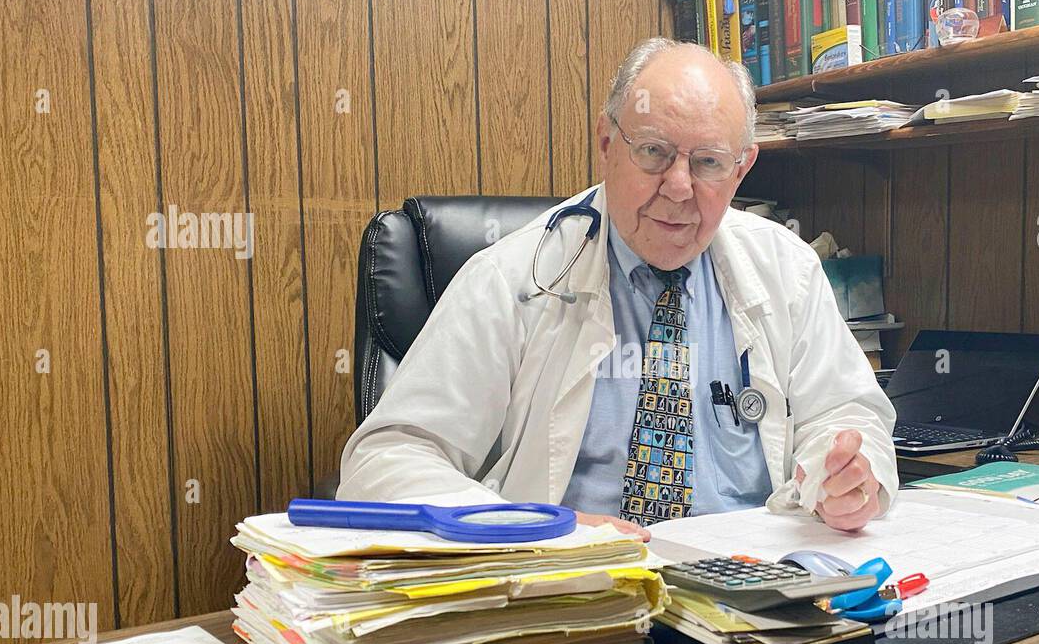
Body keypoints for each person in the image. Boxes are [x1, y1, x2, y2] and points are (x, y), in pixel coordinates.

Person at [338, 37, 897, 540]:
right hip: (578, 594)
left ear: (742, 169)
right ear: (607, 142)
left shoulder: (789, 270)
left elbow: (849, 414)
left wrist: (845, 474)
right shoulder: (511, 278)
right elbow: (387, 458)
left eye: (707, 162)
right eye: (653, 152)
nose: (679, 188)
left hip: (752, 586)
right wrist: (531, 527)